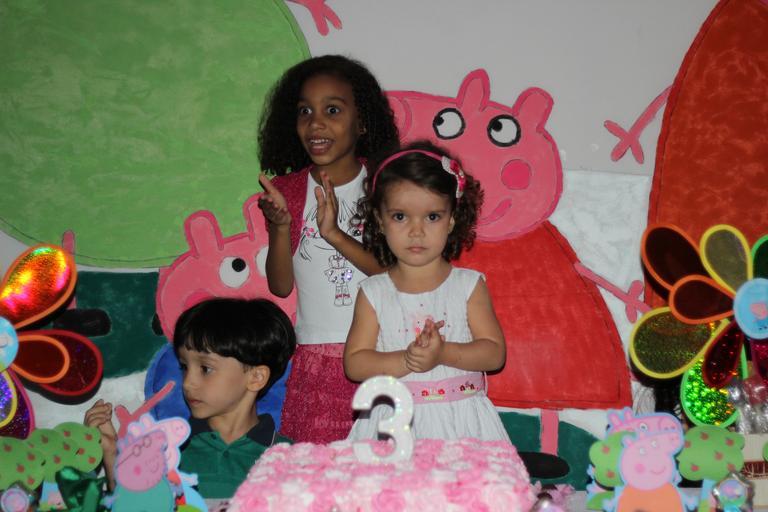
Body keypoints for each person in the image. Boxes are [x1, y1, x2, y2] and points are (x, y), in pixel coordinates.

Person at [256, 54, 399, 443]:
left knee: (383, 466)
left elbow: (396, 274)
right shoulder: (287, 191)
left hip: (382, 352)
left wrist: (335, 234)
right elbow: (280, 286)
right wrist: (280, 226)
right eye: (305, 111)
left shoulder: (386, 185)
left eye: (332, 110)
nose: (315, 123)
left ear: (362, 121)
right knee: (319, 467)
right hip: (315, 359)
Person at [344, 141, 510, 441]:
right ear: (379, 221)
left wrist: (443, 353)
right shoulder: (373, 292)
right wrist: (407, 360)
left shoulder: (468, 285)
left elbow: (494, 354)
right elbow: (355, 364)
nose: (416, 231)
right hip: (393, 427)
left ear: (451, 220)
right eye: (400, 216)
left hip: (463, 426)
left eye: (432, 216)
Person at [84, 298, 296, 499]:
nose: (187, 383)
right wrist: (112, 455)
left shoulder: (290, 459)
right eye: (185, 367)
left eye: (205, 369)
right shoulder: (165, 449)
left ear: (256, 377)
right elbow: (134, 506)